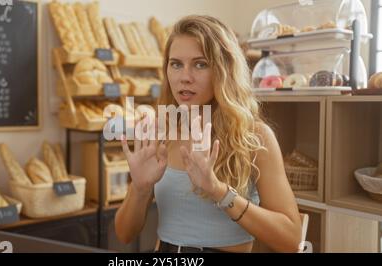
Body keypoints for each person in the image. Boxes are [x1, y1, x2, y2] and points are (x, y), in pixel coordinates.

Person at [114, 15, 302, 253]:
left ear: (224, 70)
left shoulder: (255, 137)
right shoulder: (161, 132)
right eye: (176, 64)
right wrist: (139, 189)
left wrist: (218, 191)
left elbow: (292, 241)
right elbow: (124, 234)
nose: (185, 76)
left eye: (200, 64)